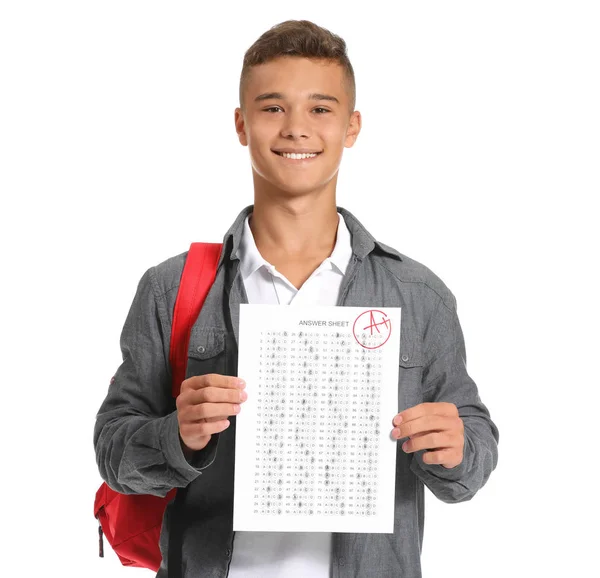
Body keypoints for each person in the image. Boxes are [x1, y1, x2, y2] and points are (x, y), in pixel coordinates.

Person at [94, 19, 499, 578]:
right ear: (241, 124)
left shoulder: (419, 296)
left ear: (351, 127)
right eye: (273, 108)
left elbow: (473, 454)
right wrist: (177, 436)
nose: (297, 129)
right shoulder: (173, 287)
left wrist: (456, 447)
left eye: (321, 109)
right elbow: (113, 452)